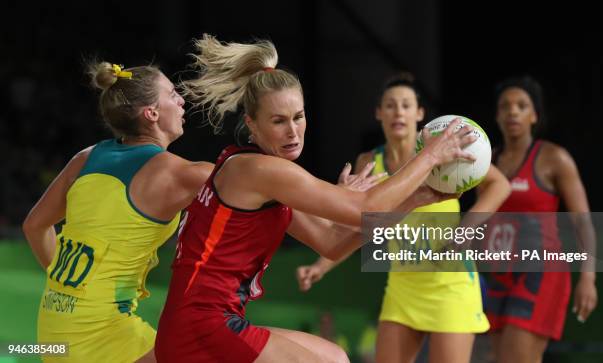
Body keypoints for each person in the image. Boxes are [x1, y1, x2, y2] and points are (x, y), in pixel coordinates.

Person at [154, 35, 477, 363]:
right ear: (251, 124)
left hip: (209, 320)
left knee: (335, 356)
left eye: (298, 116)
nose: (293, 131)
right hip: (202, 326)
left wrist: (418, 198)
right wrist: (431, 156)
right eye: (278, 121)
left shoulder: (266, 177)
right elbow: (365, 209)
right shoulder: (259, 169)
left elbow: (330, 242)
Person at [296, 73, 511, 363]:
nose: (398, 111)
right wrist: (321, 266)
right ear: (378, 113)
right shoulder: (369, 163)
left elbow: (500, 185)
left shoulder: (442, 152)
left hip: (451, 286)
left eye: (406, 105)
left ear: (420, 114)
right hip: (402, 285)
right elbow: (360, 227)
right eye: (391, 105)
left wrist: (466, 230)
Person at [22, 62, 215, 362]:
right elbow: (253, 189)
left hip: (52, 336)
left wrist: (69, 287)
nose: (181, 100)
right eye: (173, 93)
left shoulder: (86, 157)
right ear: (151, 113)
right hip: (101, 336)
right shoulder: (176, 173)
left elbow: (34, 226)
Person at [485, 76, 598, 363]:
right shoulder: (487, 161)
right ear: (497, 115)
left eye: (521, 106)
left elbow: (583, 221)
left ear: (534, 115)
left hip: (540, 272)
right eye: (505, 106)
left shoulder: (553, 158)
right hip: (498, 272)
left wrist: (588, 276)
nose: (512, 111)